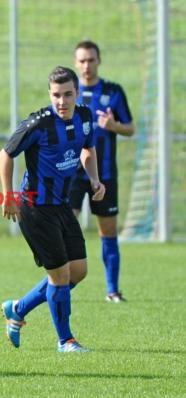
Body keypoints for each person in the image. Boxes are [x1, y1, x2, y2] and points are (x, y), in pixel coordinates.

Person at [0, 66, 105, 352]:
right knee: (59, 276)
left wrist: (94, 178)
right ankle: (65, 340)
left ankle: (18, 309)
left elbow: (88, 149)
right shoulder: (38, 124)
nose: (62, 101)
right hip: (34, 207)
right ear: (50, 94)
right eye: (56, 95)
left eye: (68, 94)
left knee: (78, 271)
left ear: (77, 93)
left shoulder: (84, 116)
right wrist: (7, 195)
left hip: (61, 206)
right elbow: (6, 154)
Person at [71, 40, 135, 303]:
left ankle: (112, 290)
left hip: (105, 174)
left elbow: (130, 128)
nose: (87, 65)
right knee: (63, 226)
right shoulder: (68, 93)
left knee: (108, 231)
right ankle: (62, 284)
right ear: (76, 63)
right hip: (73, 174)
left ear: (99, 61)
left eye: (91, 60)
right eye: (82, 60)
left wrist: (113, 125)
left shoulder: (113, 91)